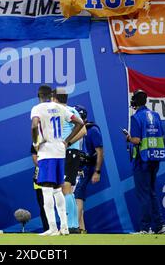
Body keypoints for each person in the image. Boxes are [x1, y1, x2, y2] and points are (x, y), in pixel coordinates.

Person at [31, 85, 84, 236]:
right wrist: (67, 141)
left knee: (46, 189)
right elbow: (79, 122)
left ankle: (53, 228)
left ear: (39, 95)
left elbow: (35, 125)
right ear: (51, 95)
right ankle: (65, 227)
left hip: (46, 152)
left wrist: (36, 143)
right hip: (60, 151)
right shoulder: (60, 108)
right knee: (57, 189)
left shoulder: (37, 108)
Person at [125, 89, 165, 234]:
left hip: (142, 159)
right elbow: (161, 136)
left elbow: (137, 140)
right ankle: (160, 226)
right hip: (155, 158)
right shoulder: (155, 115)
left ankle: (145, 228)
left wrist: (129, 138)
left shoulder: (136, 117)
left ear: (135, 102)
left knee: (143, 194)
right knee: (151, 192)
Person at [52, 88, 87, 234]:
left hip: (70, 152)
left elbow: (83, 130)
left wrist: (67, 142)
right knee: (65, 189)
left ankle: (71, 225)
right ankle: (71, 225)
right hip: (64, 153)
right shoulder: (59, 111)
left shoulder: (70, 111)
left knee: (65, 187)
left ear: (54, 98)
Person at [74, 105, 104, 234]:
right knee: (75, 197)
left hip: (86, 168)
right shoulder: (75, 129)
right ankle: (82, 228)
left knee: (77, 197)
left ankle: (74, 226)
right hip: (76, 167)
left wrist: (97, 171)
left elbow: (100, 152)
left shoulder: (92, 130)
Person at [30, 144, 49, 232]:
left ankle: (64, 227)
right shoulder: (35, 141)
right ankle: (47, 229)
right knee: (42, 205)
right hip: (39, 176)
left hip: (53, 175)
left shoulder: (54, 139)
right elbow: (34, 158)